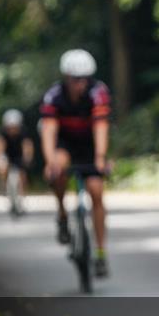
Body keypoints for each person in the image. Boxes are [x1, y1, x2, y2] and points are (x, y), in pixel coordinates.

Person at [40, 49, 112, 277]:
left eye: (84, 79)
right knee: (57, 168)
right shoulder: (54, 96)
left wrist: (100, 158)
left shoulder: (97, 92)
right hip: (66, 143)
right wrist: (50, 161)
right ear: (66, 78)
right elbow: (49, 130)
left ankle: (100, 253)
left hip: (90, 145)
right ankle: (62, 214)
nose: (80, 84)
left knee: (96, 191)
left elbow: (101, 127)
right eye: (75, 79)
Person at [0, 109, 34, 205]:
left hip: (19, 155)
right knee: (2, 165)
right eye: (10, 127)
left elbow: (27, 145)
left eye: (14, 127)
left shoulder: (23, 132)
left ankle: (22, 195)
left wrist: (27, 158)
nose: (12, 129)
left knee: (22, 173)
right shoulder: (2, 132)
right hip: (7, 154)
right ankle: (3, 185)